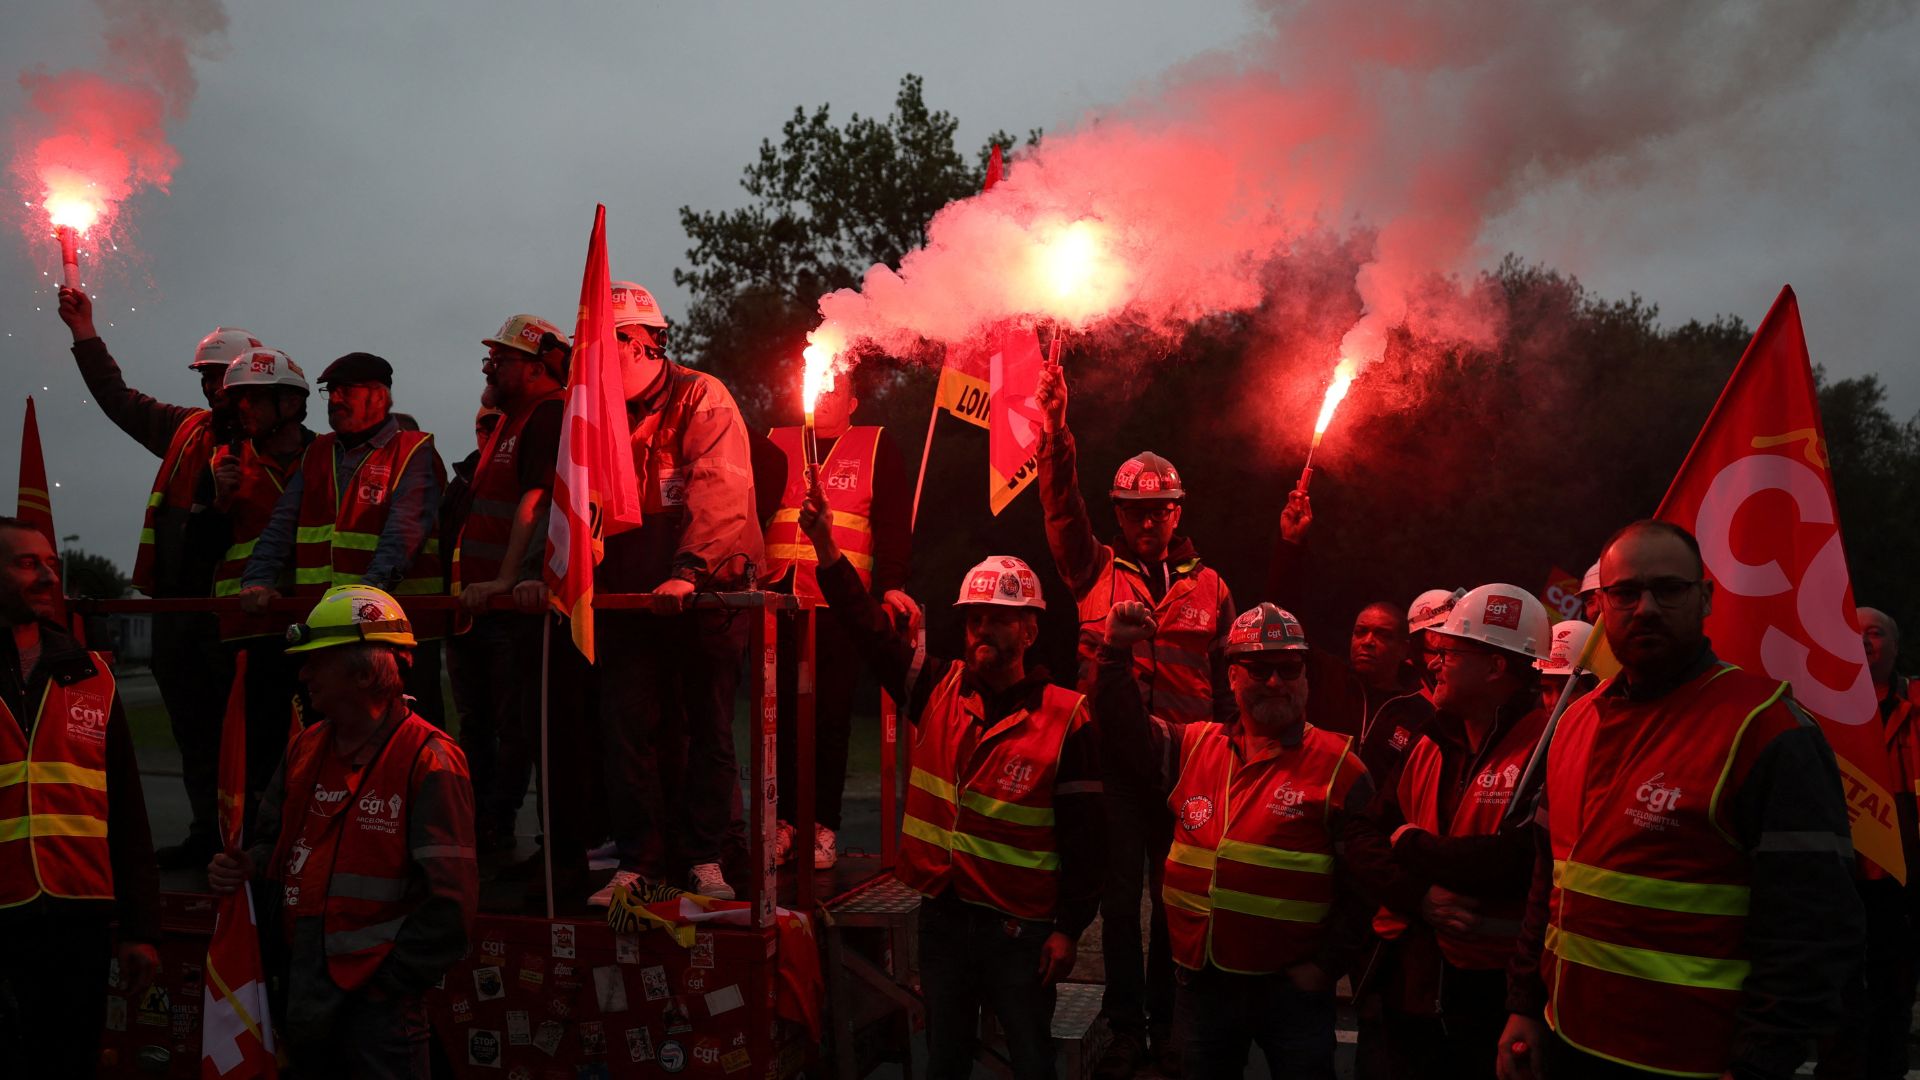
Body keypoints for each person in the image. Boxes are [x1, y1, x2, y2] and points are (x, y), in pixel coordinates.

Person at [1499, 520, 1864, 1080]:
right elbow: (1547, 882)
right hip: (1565, 1039)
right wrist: (1523, 1006)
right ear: (1599, 606)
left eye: (1668, 589)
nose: (1645, 607)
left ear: (1706, 597)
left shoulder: (1766, 729)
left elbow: (1812, 926)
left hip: (1692, 1062)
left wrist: (1761, 1062)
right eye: (1625, 593)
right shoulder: (1573, 721)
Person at [797, 477, 1104, 1080]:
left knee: (1031, 1064)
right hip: (943, 921)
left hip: (1022, 935)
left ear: (1030, 630)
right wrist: (828, 550)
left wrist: (1070, 930)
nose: (983, 630)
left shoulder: (1067, 719)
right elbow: (866, 628)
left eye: (999, 619)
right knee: (944, 1063)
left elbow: (1089, 842)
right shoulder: (935, 689)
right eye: (974, 619)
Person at [1032, 358, 1236, 1074]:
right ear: (1118, 515)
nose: (1150, 520)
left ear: (1179, 512)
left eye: (1162, 508)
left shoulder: (1212, 586)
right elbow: (1059, 508)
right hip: (1110, 766)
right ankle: (1124, 1029)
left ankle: (1168, 1023)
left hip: (1188, 768)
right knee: (1119, 906)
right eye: (1136, 510)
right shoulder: (1092, 570)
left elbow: (1226, 682)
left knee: (1176, 904)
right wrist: (1056, 429)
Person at [207, 585, 477, 1077]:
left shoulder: (429, 758)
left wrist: (386, 983)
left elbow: (451, 905)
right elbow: (276, 848)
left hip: (377, 1007)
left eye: (318, 660)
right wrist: (243, 865)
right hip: (302, 984)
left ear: (364, 667)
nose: (303, 673)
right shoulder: (305, 747)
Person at [1100, 600, 1372, 1079]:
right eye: (1259, 668)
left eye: (1288, 668)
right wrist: (1114, 653)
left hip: (1292, 991)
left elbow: (1368, 887)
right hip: (1203, 986)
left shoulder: (1340, 766)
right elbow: (1125, 734)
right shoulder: (1194, 745)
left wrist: (1327, 966)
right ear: (1231, 677)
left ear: (1305, 675)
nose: (1274, 682)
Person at [56, 285, 254, 869]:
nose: (211, 386)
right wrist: (84, 333)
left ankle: (243, 841)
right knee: (192, 730)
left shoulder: (278, 446)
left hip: (235, 618)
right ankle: (205, 832)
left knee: (241, 735)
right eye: (205, 375)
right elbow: (117, 399)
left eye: (221, 375)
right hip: (177, 613)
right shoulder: (187, 429)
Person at [591, 281, 761, 903]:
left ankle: (705, 858)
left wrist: (688, 572)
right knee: (629, 727)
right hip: (631, 598)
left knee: (704, 726)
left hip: (708, 592)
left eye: (602, 343)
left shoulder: (702, 396)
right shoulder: (597, 410)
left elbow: (720, 492)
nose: (591, 357)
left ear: (639, 343)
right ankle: (641, 864)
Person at [1348, 584, 1552, 1079]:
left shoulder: (1547, 748)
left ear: (1495, 667)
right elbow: (1361, 835)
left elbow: (1515, 862)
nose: (1433, 662)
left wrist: (1412, 843)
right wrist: (1419, 895)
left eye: (1449, 651)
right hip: (1410, 988)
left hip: (1493, 998)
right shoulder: (1431, 740)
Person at [0, 517, 160, 1076]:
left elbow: (128, 811)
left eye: (49, 563)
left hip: (79, 926)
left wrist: (140, 929)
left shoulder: (92, 673)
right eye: (27, 563)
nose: (47, 574)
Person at [237, 352, 447, 722]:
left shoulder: (413, 451)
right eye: (330, 391)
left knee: (403, 738)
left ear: (379, 396)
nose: (334, 400)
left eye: (345, 390)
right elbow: (280, 525)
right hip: (326, 633)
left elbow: (403, 536)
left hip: (398, 636)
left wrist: (359, 605)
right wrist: (257, 580)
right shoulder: (317, 453)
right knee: (325, 739)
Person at [761, 371, 912, 871]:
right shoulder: (776, 442)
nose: (823, 396)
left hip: (842, 603)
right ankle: (781, 824)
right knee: (776, 715)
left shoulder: (876, 445)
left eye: (834, 388)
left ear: (852, 401)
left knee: (831, 716)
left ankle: (823, 826)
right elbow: (749, 511)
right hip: (777, 598)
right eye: (817, 386)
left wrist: (892, 584)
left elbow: (892, 522)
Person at [449, 316, 568, 859]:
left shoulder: (547, 415)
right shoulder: (509, 422)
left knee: (520, 731)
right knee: (488, 729)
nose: (489, 366)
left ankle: (523, 841)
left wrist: (507, 578)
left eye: (501, 359)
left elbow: (538, 500)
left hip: (511, 606)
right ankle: (489, 835)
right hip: (486, 606)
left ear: (537, 367)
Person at [197, 347, 320, 810]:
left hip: (309, 630)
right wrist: (217, 503)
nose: (241, 408)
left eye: (253, 398)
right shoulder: (224, 463)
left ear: (289, 404)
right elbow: (196, 557)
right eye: (239, 398)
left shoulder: (326, 457)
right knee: (254, 757)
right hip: (244, 635)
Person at [1815, 606, 1916, 1080]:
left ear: (1894, 645)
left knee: (1894, 992)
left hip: (1901, 881)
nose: (1863, 642)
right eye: (1853, 634)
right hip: (1839, 876)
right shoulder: (1818, 705)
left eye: (1874, 633)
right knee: (1838, 992)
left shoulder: (1915, 705)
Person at [1534, 619, 1598, 715]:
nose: (1555, 702)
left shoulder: (1605, 728)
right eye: (1546, 690)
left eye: (1568, 690)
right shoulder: (1531, 725)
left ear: (1595, 686)